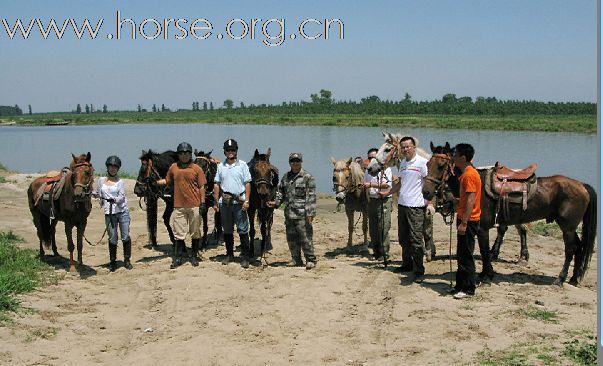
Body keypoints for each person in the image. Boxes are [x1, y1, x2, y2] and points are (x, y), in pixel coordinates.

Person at [382, 136, 428, 283]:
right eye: (403, 147)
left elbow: (429, 184)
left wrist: (429, 202)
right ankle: (406, 264)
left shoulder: (422, 163)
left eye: (408, 147)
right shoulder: (402, 163)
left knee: (416, 239)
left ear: (414, 147)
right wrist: (388, 192)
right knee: (403, 238)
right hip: (402, 205)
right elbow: (400, 183)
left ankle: (419, 270)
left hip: (416, 206)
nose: (406, 149)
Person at [158, 142, 206, 268]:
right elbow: (167, 180)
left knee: (195, 231)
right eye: (182, 153)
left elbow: (201, 187)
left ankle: (194, 256)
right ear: (178, 155)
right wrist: (155, 182)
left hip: (194, 205)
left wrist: (203, 203)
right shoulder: (174, 167)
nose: (184, 155)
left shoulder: (197, 169)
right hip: (178, 205)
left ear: (190, 154)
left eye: (187, 153)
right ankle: (178, 257)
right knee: (178, 232)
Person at [267, 153, 317, 269]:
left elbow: (311, 196)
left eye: (297, 161)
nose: (295, 163)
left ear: (301, 162)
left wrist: (311, 213)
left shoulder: (307, 177)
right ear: (289, 163)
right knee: (291, 239)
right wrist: (276, 203)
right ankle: (296, 259)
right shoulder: (286, 177)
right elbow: (281, 193)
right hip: (289, 214)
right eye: (293, 161)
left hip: (302, 215)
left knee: (305, 238)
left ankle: (310, 260)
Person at [213, 138, 252, 268]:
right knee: (227, 230)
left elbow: (247, 183)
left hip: (239, 202)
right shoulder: (220, 166)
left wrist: (246, 200)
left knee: (242, 229)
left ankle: (245, 257)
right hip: (224, 203)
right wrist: (215, 201)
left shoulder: (243, 165)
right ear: (224, 152)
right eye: (228, 150)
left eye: (233, 150)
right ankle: (229, 254)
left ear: (236, 151)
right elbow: (217, 184)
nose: (230, 152)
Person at [450, 143, 481, 299]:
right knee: (461, 253)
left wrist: (464, 223)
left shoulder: (469, 175)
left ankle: (468, 288)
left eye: (455, 155)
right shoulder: (466, 174)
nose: (453, 158)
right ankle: (460, 285)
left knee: (465, 254)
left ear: (463, 158)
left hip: (468, 220)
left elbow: (471, 200)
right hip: (465, 217)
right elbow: (466, 198)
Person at [96, 155, 132, 272]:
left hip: (121, 211)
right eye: (111, 166)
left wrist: (115, 200)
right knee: (112, 237)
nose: (113, 169)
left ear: (118, 169)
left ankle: (127, 259)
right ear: (107, 167)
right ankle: (113, 261)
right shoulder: (101, 181)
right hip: (109, 213)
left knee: (125, 235)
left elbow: (121, 196)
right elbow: (98, 193)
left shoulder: (120, 182)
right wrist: (96, 196)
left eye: (115, 167)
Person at [363, 147, 393, 262]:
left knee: (383, 227)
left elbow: (387, 185)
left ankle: (384, 253)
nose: (371, 159)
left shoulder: (386, 169)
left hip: (383, 200)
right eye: (370, 157)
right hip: (372, 200)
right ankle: (376, 252)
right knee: (373, 228)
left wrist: (371, 185)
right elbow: (365, 183)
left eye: (374, 157)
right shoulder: (368, 170)